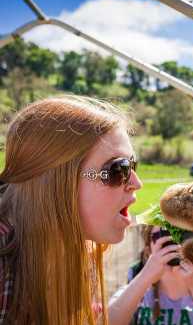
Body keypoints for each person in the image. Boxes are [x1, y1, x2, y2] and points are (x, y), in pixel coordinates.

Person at [0, 96, 143, 324]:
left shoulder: (69, 252)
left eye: (132, 166)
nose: (136, 183)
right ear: (58, 179)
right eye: (118, 169)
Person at [108, 225, 193, 325]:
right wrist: (146, 276)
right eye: (163, 236)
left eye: (181, 234)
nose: (174, 243)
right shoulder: (136, 294)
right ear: (148, 251)